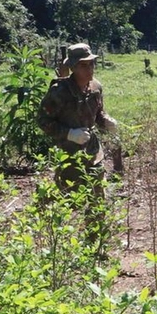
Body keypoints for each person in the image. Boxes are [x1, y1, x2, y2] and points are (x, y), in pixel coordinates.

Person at [37, 42, 118, 252]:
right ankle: (52, 239)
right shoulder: (59, 92)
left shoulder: (96, 88)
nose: (89, 69)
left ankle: (94, 245)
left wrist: (106, 121)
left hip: (92, 152)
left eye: (91, 64)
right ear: (73, 67)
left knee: (96, 198)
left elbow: (98, 114)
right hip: (68, 155)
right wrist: (69, 134)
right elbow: (42, 121)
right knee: (69, 200)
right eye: (84, 66)